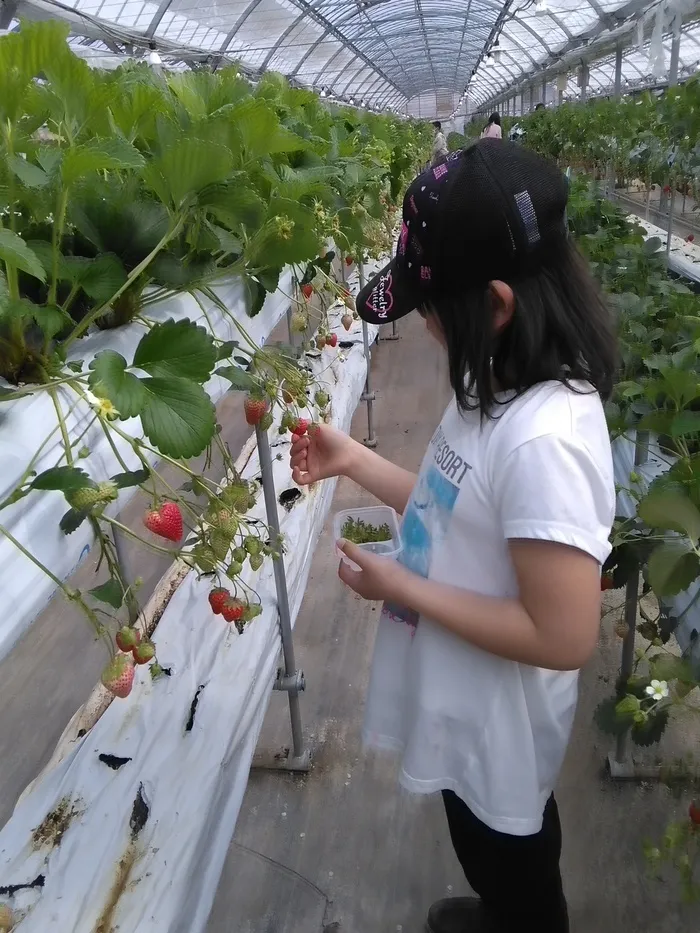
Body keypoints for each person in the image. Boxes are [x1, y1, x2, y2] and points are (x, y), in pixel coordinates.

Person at [290, 140, 616, 933]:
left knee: (516, 860)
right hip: (461, 703)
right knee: (478, 840)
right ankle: (498, 908)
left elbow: (564, 632)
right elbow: (448, 504)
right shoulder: (496, 387)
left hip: (500, 731)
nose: (426, 326)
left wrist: (398, 585)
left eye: (429, 309)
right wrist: (354, 459)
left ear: (496, 305)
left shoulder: (547, 441)